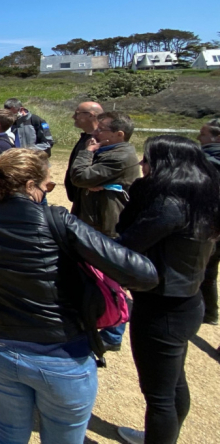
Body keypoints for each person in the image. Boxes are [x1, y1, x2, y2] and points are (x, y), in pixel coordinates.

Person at [0, 148, 157, 444]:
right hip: (60, 352)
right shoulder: (58, 221)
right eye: (48, 186)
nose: (48, 191)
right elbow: (142, 274)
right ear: (30, 186)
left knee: (7, 432)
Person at [115, 136, 220, 444]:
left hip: (161, 308)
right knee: (173, 383)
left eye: (147, 160)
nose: (141, 165)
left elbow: (127, 242)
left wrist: (136, 195)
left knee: (158, 394)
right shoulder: (203, 198)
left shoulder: (169, 206)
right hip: (187, 300)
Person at [69, 112, 140, 350]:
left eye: (102, 129)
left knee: (112, 279)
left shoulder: (120, 156)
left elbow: (80, 176)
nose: (96, 132)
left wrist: (86, 154)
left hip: (107, 226)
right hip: (95, 220)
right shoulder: (109, 152)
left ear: (119, 134)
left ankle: (113, 333)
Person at [64, 101, 104, 215]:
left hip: (91, 203)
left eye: (77, 114)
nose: (73, 117)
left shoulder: (101, 139)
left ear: (91, 115)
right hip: (79, 197)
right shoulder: (86, 137)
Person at [198, 118, 220, 325]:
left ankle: (207, 312)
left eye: (203, 134)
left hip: (211, 224)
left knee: (205, 268)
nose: (198, 138)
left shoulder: (205, 162)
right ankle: (210, 312)